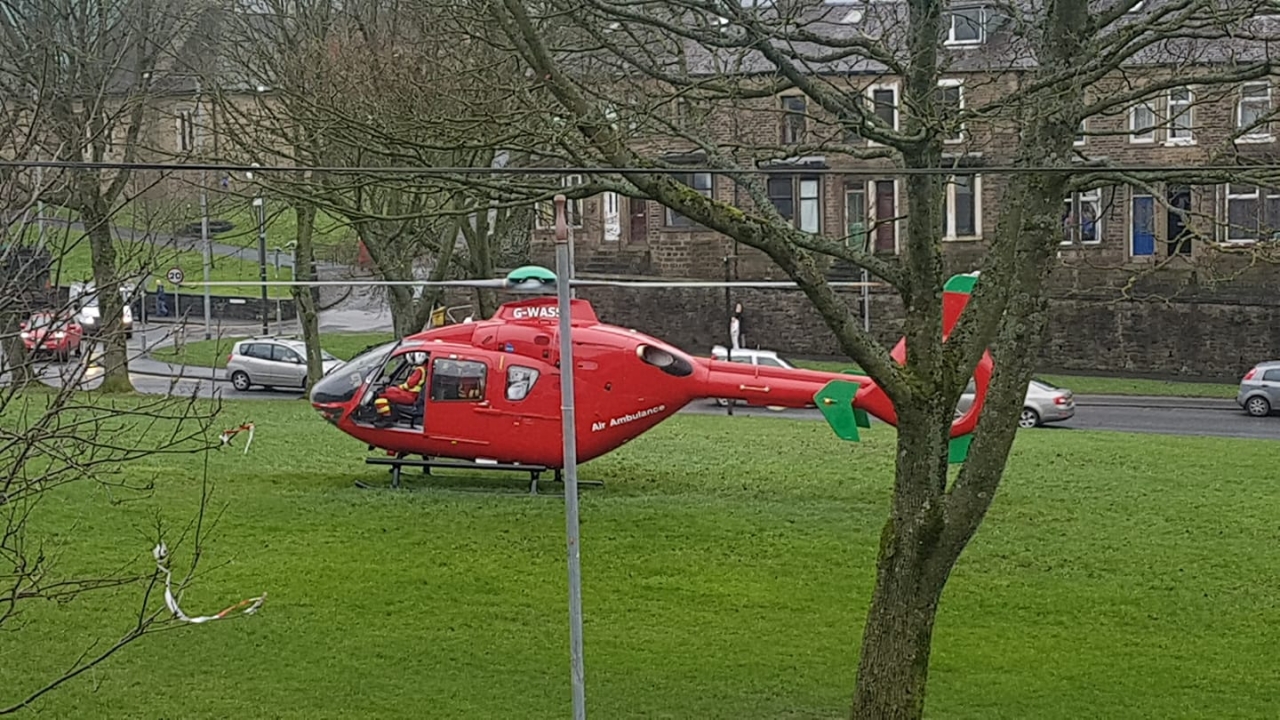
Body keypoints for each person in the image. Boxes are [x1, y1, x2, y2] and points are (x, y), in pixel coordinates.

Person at [374, 353, 428, 425]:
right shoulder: (422, 369)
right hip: (411, 395)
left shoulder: (419, 370)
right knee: (388, 392)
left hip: (411, 396)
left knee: (382, 396)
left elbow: (409, 384)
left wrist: (398, 387)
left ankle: (387, 419)